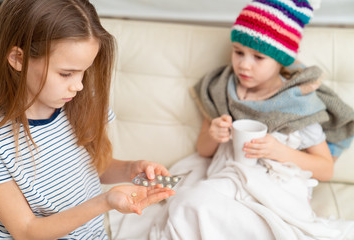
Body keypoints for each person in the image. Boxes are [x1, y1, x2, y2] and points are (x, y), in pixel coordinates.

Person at [149, 0, 354, 239]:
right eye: (238, 52)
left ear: (281, 61)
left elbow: (325, 168)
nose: (244, 65)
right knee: (190, 205)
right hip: (227, 178)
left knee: (229, 216)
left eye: (258, 57)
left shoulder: (298, 103)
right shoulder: (223, 90)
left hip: (277, 188)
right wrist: (214, 134)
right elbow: (203, 150)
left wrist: (278, 151)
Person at [0, 0, 175, 239]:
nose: (78, 85)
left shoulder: (79, 102)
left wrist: (131, 169)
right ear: (18, 58)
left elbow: (90, 167)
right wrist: (105, 201)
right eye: (66, 73)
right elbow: (27, 231)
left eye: (84, 71)